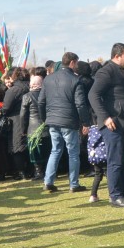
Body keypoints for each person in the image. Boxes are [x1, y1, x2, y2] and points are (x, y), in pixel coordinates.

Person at [88, 43, 124, 207]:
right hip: (113, 123)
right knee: (115, 160)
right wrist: (105, 117)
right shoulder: (106, 71)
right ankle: (115, 195)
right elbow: (93, 95)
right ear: (117, 56)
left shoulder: (123, 71)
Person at [37, 52, 91, 193]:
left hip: (53, 120)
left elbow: (41, 102)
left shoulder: (48, 79)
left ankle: (48, 181)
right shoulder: (75, 80)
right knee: (73, 153)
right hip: (69, 121)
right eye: (76, 63)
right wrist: (86, 122)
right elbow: (80, 104)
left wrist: (45, 119)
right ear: (72, 63)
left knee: (55, 151)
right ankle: (73, 184)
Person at [19, 68, 48, 182]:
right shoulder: (47, 94)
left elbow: (23, 115)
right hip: (46, 127)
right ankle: (48, 171)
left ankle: (39, 172)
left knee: (35, 153)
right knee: (48, 150)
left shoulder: (27, 96)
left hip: (33, 128)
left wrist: (23, 129)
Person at [1, 67, 31, 178]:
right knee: (28, 146)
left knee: (17, 147)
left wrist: (1, 111)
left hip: (16, 119)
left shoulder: (14, 90)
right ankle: (31, 170)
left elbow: (6, 107)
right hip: (31, 119)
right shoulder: (30, 86)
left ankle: (21, 172)